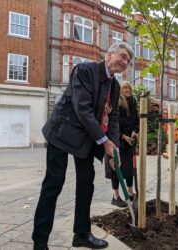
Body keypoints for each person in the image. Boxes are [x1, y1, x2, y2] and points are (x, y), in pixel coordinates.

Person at [32, 42, 134, 250]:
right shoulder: (85, 70)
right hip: (63, 132)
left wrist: (113, 147)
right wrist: (104, 142)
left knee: (86, 185)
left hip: (86, 138)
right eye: (122, 56)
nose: (124, 62)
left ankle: (81, 234)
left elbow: (112, 118)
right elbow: (82, 108)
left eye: (128, 61)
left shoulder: (115, 86)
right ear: (108, 55)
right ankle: (40, 242)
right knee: (54, 184)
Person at [106, 81, 139, 207]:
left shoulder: (133, 104)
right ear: (120, 90)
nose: (128, 90)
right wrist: (122, 136)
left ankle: (130, 193)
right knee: (116, 168)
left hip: (129, 141)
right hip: (116, 140)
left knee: (130, 168)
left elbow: (136, 122)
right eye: (125, 87)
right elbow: (112, 124)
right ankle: (116, 196)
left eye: (129, 88)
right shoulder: (116, 103)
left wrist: (134, 132)